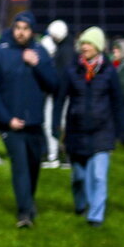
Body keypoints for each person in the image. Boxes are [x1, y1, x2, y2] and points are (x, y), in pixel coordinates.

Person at [0, 11, 59, 228]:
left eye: (25, 29)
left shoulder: (40, 52)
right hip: (11, 125)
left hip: (35, 122)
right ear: (12, 28)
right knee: (21, 167)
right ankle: (24, 213)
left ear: (32, 31)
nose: (21, 32)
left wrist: (38, 65)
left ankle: (28, 201)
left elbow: (54, 85)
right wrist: (7, 119)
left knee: (34, 167)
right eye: (18, 28)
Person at [53, 27, 124, 227]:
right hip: (76, 132)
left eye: (88, 43)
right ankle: (80, 203)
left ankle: (95, 215)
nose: (84, 47)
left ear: (98, 47)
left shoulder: (109, 71)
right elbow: (60, 99)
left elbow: (118, 102)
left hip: (102, 130)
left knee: (98, 176)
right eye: (82, 43)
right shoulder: (71, 70)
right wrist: (55, 124)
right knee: (79, 177)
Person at [41, 20, 75, 168]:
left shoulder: (64, 51)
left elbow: (61, 75)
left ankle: (54, 155)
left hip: (59, 95)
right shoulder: (68, 48)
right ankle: (61, 155)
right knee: (62, 124)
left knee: (53, 124)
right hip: (64, 94)